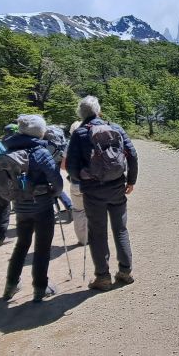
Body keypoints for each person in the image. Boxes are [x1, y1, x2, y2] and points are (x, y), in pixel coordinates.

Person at [66, 96, 138, 291]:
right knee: (120, 229)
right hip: (117, 187)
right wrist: (131, 181)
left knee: (97, 233)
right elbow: (132, 155)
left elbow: (71, 167)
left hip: (93, 190)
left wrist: (82, 180)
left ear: (80, 114)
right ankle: (125, 272)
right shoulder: (116, 128)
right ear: (98, 111)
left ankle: (103, 277)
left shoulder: (80, 133)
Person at [1, 114, 64, 302]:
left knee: (22, 244)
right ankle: (40, 288)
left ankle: (11, 284)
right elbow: (57, 181)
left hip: (20, 206)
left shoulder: (9, 151)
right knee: (42, 247)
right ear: (38, 132)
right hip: (42, 205)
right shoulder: (40, 152)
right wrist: (54, 193)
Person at [64, 120, 87, 245]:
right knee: (93, 209)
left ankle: (83, 240)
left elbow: (63, 166)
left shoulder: (69, 145)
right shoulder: (91, 140)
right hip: (92, 183)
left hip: (76, 183)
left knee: (78, 211)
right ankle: (95, 236)